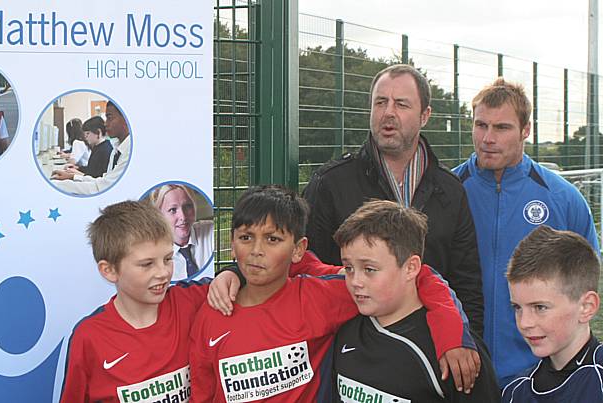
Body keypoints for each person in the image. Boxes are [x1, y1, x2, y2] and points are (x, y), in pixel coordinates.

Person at [189, 185, 479, 403]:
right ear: (232, 241)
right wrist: (232, 272)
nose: (256, 251)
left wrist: (452, 334)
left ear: (298, 248)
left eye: (273, 239)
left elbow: (418, 276)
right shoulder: (214, 309)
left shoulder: (322, 296)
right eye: (245, 238)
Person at [303, 64, 483, 336]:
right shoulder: (331, 183)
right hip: (352, 348)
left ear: (425, 116)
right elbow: (302, 262)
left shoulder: (450, 190)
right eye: (380, 102)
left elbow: (466, 283)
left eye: (401, 104)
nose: (388, 113)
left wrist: (467, 343)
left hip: (431, 347)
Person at [453, 78, 600, 386]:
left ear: (525, 130)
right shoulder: (447, 193)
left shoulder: (562, 197)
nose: (488, 138)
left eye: (502, 128)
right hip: (460, 367)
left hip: (540, 372)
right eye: (481, 126)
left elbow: (586, 277)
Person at [59, 199, 242, 402]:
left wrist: (230, 273)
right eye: (147, 264)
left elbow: (246, 279)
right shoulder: (89, 337)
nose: (163, 273)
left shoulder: (190, 300)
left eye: (167, 259)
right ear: (109, 270)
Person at [332, 200, 499, 402]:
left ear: (411, 268)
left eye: (369, 269)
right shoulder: (345, 330)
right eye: (349, 268)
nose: (355, 281)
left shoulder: (454, 351)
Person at [501, 225, 602, 402]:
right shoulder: (515, 393)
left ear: (586, 307)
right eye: (517, 308)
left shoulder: (597, 382)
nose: (525, 323)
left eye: (540, 307)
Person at [52, 101, 129, 194]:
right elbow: (103, 182)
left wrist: (56, 184)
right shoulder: (115, 150)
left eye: (109, 118)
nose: (105, 124)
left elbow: (101, 187)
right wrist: (72, 176)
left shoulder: (116, 150)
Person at [149, 184, 214, 280]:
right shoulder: (151, 252)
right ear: (159, 215)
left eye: (187, 206)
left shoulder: (211, 231)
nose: (183, 217)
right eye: (173, 210)